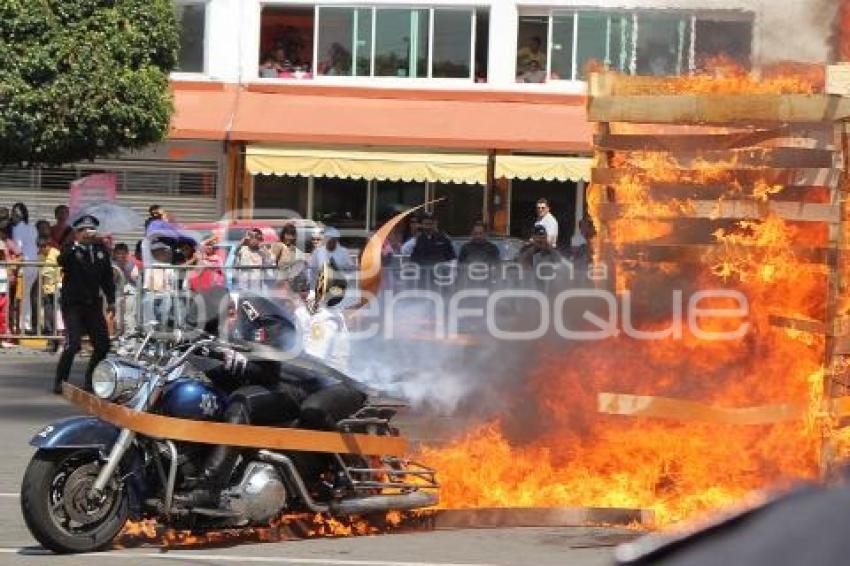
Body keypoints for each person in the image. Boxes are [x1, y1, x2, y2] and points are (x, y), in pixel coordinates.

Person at [181, 289, 365, 510]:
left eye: (213, 329)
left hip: (293, 384)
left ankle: (208, 489)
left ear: (231, 313)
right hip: (265, 385)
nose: (212, 336)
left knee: (241, 405)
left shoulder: (257, 311)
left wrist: (246, 358)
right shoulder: (225, 321)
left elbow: (279, 355)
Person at [54, 215, 115, 394]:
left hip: (93, 304)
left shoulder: (100, 250)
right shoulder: (70, 249)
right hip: (73, 303)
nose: (87, 234)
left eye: (90, 230)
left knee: (103, 345)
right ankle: (61, 381)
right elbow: (61, 261)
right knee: (73, 344)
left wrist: (111, 300)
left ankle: (90, 380)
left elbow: (107, 277)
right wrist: (75, 244)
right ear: (77, 232)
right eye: (82, 231)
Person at [10, 203, 38, 333]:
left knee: (21, 297)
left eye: (14, 213)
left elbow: (18, 248)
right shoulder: (32, 228)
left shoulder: (17, 229)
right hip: (34, 265)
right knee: (26, 296)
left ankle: (23, 325)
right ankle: (26, 325)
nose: (12, 215)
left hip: (24, 265)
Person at [32, 236, 60, 343]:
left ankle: (58, 338)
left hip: (57, 289)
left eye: (42, 247)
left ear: (47, 246)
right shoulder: (40, 256)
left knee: (57, 316)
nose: (40, 250)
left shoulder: (56, 254)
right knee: (48, 314)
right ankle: (51, 339)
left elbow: (63, 271)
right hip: (47, 289)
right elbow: (41, 273)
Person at [112, 243, 140, 335]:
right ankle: (119, 336)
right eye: (118, 253)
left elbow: (136, 280)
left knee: (129, 316)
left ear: (127, 253)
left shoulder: (132, 265)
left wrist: (127, 270)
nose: (121, 256)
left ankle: (130, 336)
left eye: (123, 253)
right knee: (118, 318)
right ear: (114, 254)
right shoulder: (111, 266)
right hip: (116, 295)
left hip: (130, 294)